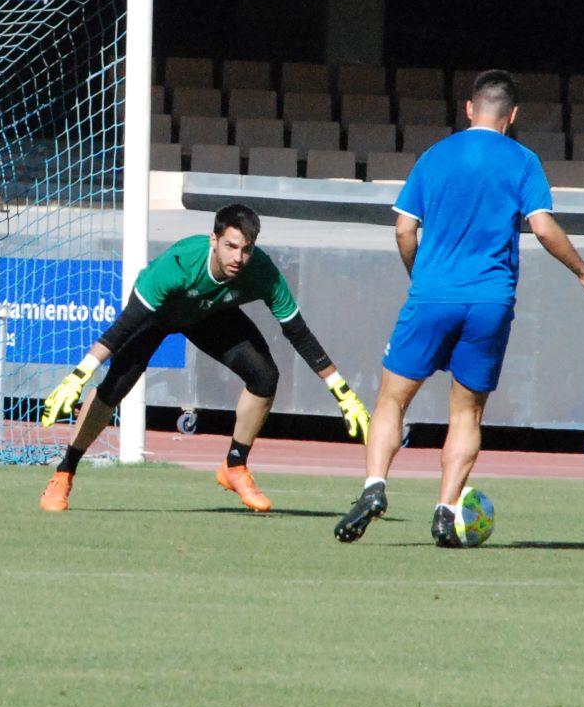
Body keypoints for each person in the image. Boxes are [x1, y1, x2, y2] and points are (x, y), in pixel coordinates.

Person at [334, 70, 584, 547]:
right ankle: (445, 509)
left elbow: (402, 229)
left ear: (468, 108)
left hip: (433, 293)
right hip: (490, 301)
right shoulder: (523, 161)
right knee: (466, 414)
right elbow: (542, 228)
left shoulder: (435, 156)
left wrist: (421, 276)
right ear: (513, 115)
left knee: (392, 399)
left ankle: (375, 486)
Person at [37, 204, 369, 514]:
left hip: (208, 315)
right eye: (231, 246)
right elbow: (120, 330)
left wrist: (343, 392)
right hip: (158, 314)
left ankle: (235, 467)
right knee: (114, 389)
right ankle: (64, 472)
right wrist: (77, 376)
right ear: (214, 240)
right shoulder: (178, 266)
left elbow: (298, 332)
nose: (239, 257)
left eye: (247, 248)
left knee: (265, 377)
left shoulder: (262, 271)